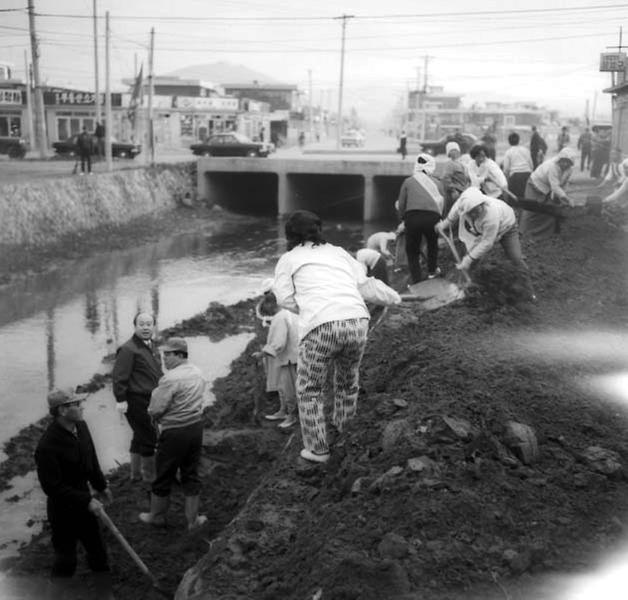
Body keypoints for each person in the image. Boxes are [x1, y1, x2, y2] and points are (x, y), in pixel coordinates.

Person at [272, 210, 399, 463]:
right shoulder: (338, 252)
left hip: (321, 326)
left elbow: (283, 298)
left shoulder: (288, 259)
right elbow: (365, 284)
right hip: (357, 320)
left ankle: (318, 449)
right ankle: (345, 429)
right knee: (347, 381)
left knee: (310, 390)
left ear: (290, 235)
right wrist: (394, 297)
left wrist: (309, 308)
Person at [35, 388, 112, 579]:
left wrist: (101, 486)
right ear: (62, 410)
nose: (81, 407)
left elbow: (91, 460)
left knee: (98, 552)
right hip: (63, 510)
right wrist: (87, 500)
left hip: (85, 501)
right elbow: (52, 488)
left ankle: (103, 590)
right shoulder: (47, 446)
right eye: (76, 404)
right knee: (66, 559)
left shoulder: (82, 427)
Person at [139, 337, 209, 531]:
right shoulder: (197, 372)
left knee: (164, 473)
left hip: (174, 432)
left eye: (168, 355)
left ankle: (156, 516)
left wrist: (154, 417)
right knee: (190, 472)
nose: (164, 359)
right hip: (195, 428)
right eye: (163, 355)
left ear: (180, 355)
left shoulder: (170, 379)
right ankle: (193, 521)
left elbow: (155, 409)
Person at [435, 188, 536, 302]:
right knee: (473, 259)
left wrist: (468, 259)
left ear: (482, 204)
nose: (473, 214)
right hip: (481, 230)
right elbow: (455, 211)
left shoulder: (491, 215)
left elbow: (487, 243)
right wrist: (444, 224)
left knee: (515, 257)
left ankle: (529, 290)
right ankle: (464, 287)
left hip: (507, 228)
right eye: (470, 212)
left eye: (476, 211)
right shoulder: (464, 202)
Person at [112, 312, 163, 483]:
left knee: (139, 434)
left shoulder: (151, 346)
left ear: (154, 326)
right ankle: (150, 478)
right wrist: (121, 399)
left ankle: (135, 474)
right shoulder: (128, 349)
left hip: (151, 398)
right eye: (142, 324)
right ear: (135, 326)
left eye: (149, 324)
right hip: (136, 400)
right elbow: (119, 377)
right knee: (149, 437)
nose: (146, 327)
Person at [254, 286, 299, 430]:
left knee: (289, 389)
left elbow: (278, 343)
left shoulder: (280, 318)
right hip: (291, 356)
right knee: (283, 386)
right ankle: (283, 411)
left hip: (289, 359)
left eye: (266, 306)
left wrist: (262, 353)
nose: (266, 311)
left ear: (271, 304)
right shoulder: (288, 314)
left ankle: (292, 416)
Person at [396, 153, 444, 283]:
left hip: (412, 218)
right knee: (432, 245)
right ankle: (432, 272)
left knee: (412, 250)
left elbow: (401, 204)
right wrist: (441, 219)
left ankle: (417, 280)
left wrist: (402, 220)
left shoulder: (408, 181)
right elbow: (442, 204)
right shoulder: (438, 183)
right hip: (433, 218)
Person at [519, 148, 576, 240]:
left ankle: (549, 232)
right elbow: (555, 187)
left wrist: (563, 197)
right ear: (559, 159)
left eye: (568, 162)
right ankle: (521, 233)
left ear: (571, 163)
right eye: (563, 161)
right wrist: (567, 199)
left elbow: (565, 184)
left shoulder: (569, 170)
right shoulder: (553, 166)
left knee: (551, 208)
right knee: (530, 208)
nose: (565, 164)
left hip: (547, 187)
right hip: (534, 184)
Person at [441, 141, 471, 216]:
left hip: (463, 192)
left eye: (455, 150)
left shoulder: (462, 163)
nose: (454, 152)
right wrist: (453, 190)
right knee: (452, 213)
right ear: (449, 154)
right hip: (454, 194)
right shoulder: (449, 164)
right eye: (451, 151)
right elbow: (446, 179)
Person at [502, 132, 533, 200]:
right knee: (526, 197)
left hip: (515, 176)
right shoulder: (525, 150)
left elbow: (506, 169)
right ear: (518, 140)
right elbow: (531, 165)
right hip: (527, 174)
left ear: (509, 142)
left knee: (515, 199)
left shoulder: (508, 152)